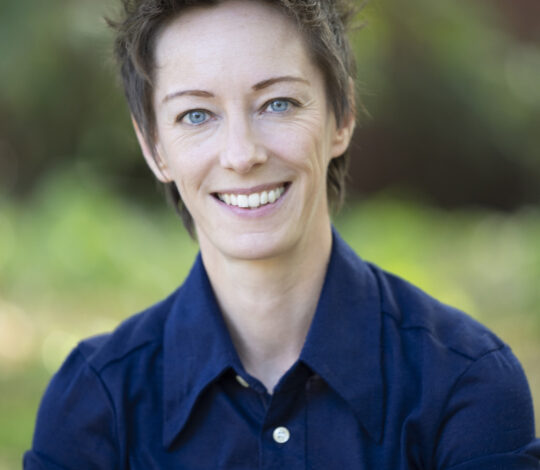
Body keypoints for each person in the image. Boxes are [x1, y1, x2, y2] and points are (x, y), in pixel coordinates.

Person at [25, 0, 540, 468]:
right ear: (154, 147)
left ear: (342, 115)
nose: (242, 154)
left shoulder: (465, 383)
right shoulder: (93, 403)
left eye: (278, 104)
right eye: (196, 115)